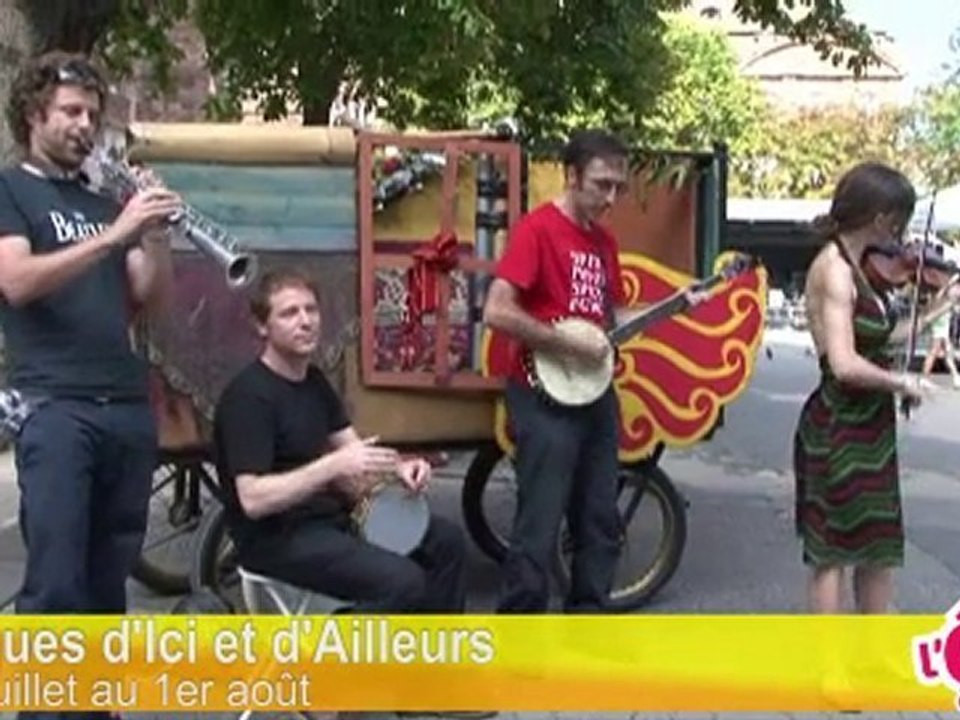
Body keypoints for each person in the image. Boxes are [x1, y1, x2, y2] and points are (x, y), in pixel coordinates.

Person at [0, 51, 181, 719]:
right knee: (55, 586)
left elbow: (149, 300)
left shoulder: (105, 198)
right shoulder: (11, 190)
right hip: (55, 407)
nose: (85, 127)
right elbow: (15, 283)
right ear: (33, 113)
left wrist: (153, 232)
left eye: (93, 117)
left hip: (124, 407)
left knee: (108, 588)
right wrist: (114, 235)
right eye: (71, 112)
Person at [482, 129, 707, 613]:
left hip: (595, 393)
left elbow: (606, 323)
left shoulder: (603, 242)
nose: (611, 197)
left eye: (618, 187)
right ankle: (517, 638)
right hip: (541, 394)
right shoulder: (537, 229)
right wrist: (561, 339)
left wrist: (672, 307)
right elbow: (497, 310)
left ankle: (587, 622)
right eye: (601, 184)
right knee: (539, 524)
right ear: (571, 175)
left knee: (600, 518)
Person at [213, 268, 471, 613]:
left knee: (448, 544)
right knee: (404, 583)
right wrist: (332, 466)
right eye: (289, 313)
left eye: (311, 310)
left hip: (333, 520)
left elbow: (356, 452)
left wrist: (402, 469)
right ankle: (335, 655)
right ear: (263, 327)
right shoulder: (249, 398)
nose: (306, 321)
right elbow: (253, 499)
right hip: (277, 538)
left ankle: (433, 660)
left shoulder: (314, 381)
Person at [794, 161, 960, 614]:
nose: (903, 235)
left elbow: (879, 336)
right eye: (900, 222)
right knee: (832, 553)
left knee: (877, 546)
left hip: (870, 425)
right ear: (882, 217)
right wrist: (901, 381)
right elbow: (844, 363)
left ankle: (874, 653)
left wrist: (938, 307)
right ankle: (831, 668)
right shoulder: (835, 270)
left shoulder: (865, 268)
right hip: (837, 425)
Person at [922, 298, 960, 388]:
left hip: (943, 327)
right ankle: (924, 378)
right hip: (940, 327)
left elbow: (956, 309)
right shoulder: (941, 300)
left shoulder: (945, 300)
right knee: (934, 352)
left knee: (947, 354)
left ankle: (956, 377)